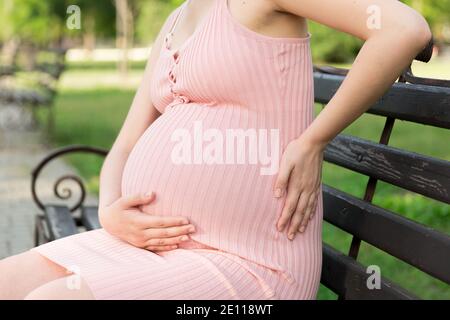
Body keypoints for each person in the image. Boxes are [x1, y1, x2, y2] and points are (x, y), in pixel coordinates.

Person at [0, 0, 431, 300]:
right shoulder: (175, 20)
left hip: (252, 267)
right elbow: (126, 145)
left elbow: (403, 29)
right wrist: (111, 210)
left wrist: (313, 140)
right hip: (156, 250)